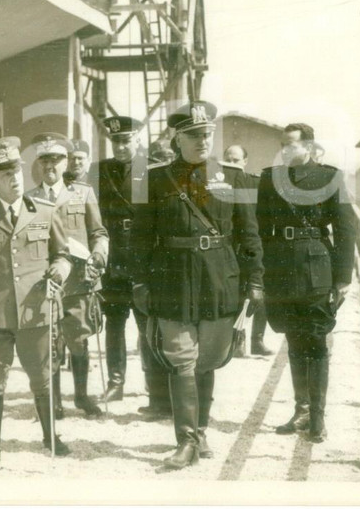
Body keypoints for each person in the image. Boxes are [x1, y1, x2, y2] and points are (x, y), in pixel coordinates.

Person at [132, 101, 264, 469]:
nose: (203, 140)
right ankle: (186, 440)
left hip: (220, 277)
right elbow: (141, 237)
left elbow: (249, 235)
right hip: (171, 277)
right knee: (181, 359)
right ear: (177, 139)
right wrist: (140, 280)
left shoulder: (233, 177)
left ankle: (201, 432)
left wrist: (256, 281)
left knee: (207, 359)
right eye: (194, 135)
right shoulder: (153, 179)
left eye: (207, 133)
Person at [0, 137, 72, 467]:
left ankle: (50, 436)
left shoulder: (45, 212)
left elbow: (63, 255)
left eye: (18, 171)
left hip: (35, 311)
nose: (15, 178)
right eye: (5, 173)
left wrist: (59, 272)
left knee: (43, 376)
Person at [256, 123, 356, 443]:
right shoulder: (270, 179)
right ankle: (301, 409)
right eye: (282, 145)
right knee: (295, 341)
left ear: (309, 147)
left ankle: (317, 417)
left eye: (292, 145)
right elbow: (258, 228)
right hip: (281, 269)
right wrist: (259, 273)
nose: (285, 150)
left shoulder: (329, 177)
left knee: (316, 342)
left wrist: (342, 278)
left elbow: (345, 230)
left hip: (316, 268)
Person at [27, 133, 108, 419]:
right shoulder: (29, 199)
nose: (50, 165)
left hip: (79, 280)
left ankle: (83, 396)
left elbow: (98, 233)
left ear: (66, 163)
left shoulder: (83, 193)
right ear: (38, 163)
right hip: (46, 282)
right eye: (45, 159)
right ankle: (54, 401)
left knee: (78, 340)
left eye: (57, 159)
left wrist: (99, 256)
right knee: (50, 342)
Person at [93, 116, 170, 417]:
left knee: (146, 324)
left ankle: (154, 388)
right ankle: (116, 381)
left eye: (126, 140)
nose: (121, 146)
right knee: (114, 322)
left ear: (138, 139)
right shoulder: (100, 171)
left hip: (142, 256)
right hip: (112, 256)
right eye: (116, 141)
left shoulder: (153, 170)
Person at [222, 144, 273, 357]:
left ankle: (257, 340)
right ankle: (238, 340)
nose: (232, 164)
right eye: (228, 159)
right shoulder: (221, 184)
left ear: (245, 161)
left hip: (256, 244)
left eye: (236, 160)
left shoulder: (257, 183)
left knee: (261, 292)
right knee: (237, 294)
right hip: (233, 245)